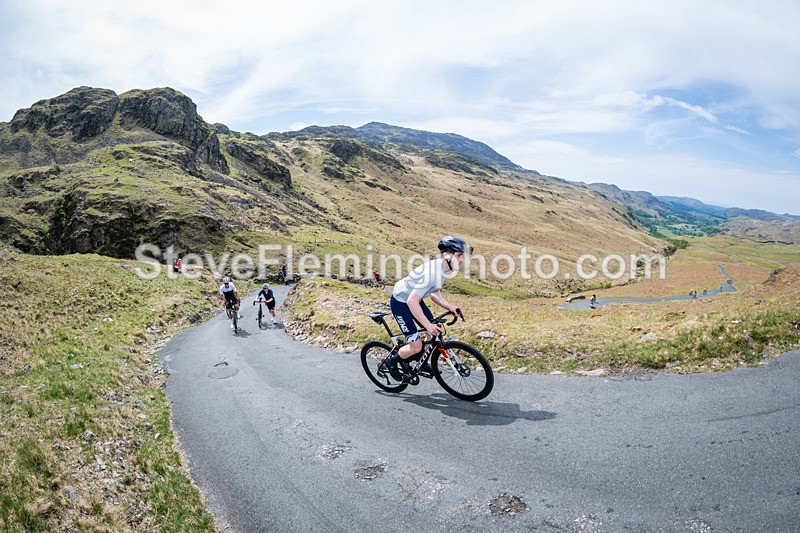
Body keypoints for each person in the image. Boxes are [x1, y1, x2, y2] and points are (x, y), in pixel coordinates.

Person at [384, 236, 467, 381]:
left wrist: (449, 306)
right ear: (447, 254)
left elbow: (435, 292)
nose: (462, 260)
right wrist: (427, 325)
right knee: (416, 346)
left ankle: (421, 363)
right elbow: (411, 302)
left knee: (434, 333)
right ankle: (392, 362)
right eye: (459, 255)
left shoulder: (444, 269)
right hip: (401, 302)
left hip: (414, 299)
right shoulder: (432, 274)